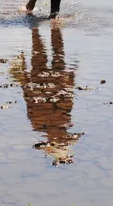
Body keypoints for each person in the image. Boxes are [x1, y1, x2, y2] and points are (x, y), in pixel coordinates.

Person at [10, 22, 80, 165]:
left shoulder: (38, 123)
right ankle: (45, 26)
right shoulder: (62, 122)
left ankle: (36, 27)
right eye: (65, 138)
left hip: (40, 83)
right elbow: (68, 98)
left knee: (42, 50)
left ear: (51, 140)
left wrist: (24, 80)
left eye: (63, 138)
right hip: (53, 82)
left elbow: (29, 100)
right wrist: (71, 79)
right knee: (56, 52)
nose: (64, 135)